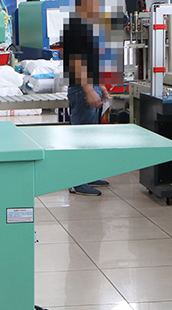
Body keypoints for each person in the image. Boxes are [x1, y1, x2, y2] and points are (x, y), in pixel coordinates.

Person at [62, 0, 110, 196]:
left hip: (89, 87)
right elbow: (77, 62)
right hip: (81, 90)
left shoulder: (87, 27)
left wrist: (100, 87)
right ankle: (77, 182)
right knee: (81, 139)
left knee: (90, 139)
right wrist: (89, 89)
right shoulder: (76, 27)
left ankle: (88, 175)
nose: (98, 8)